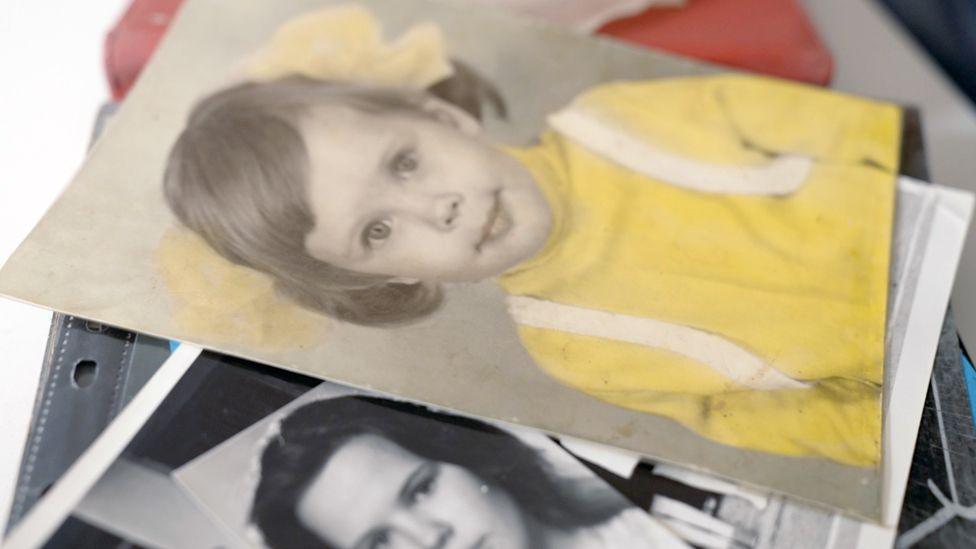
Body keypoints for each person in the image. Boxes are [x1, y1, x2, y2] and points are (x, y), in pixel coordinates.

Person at [163, 5, 900, 466]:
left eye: (406, 162)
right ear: (377, 279)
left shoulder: (619, 120)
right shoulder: (572, 346)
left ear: (445, 119)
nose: (436, 209)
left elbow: (857, 133)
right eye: (378, 230)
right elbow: (758, 418)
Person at [248, 396, 679, 548]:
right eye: (379, 544)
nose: (429, 538)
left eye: (420, 491)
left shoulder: (673, 510)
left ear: (470, 461)